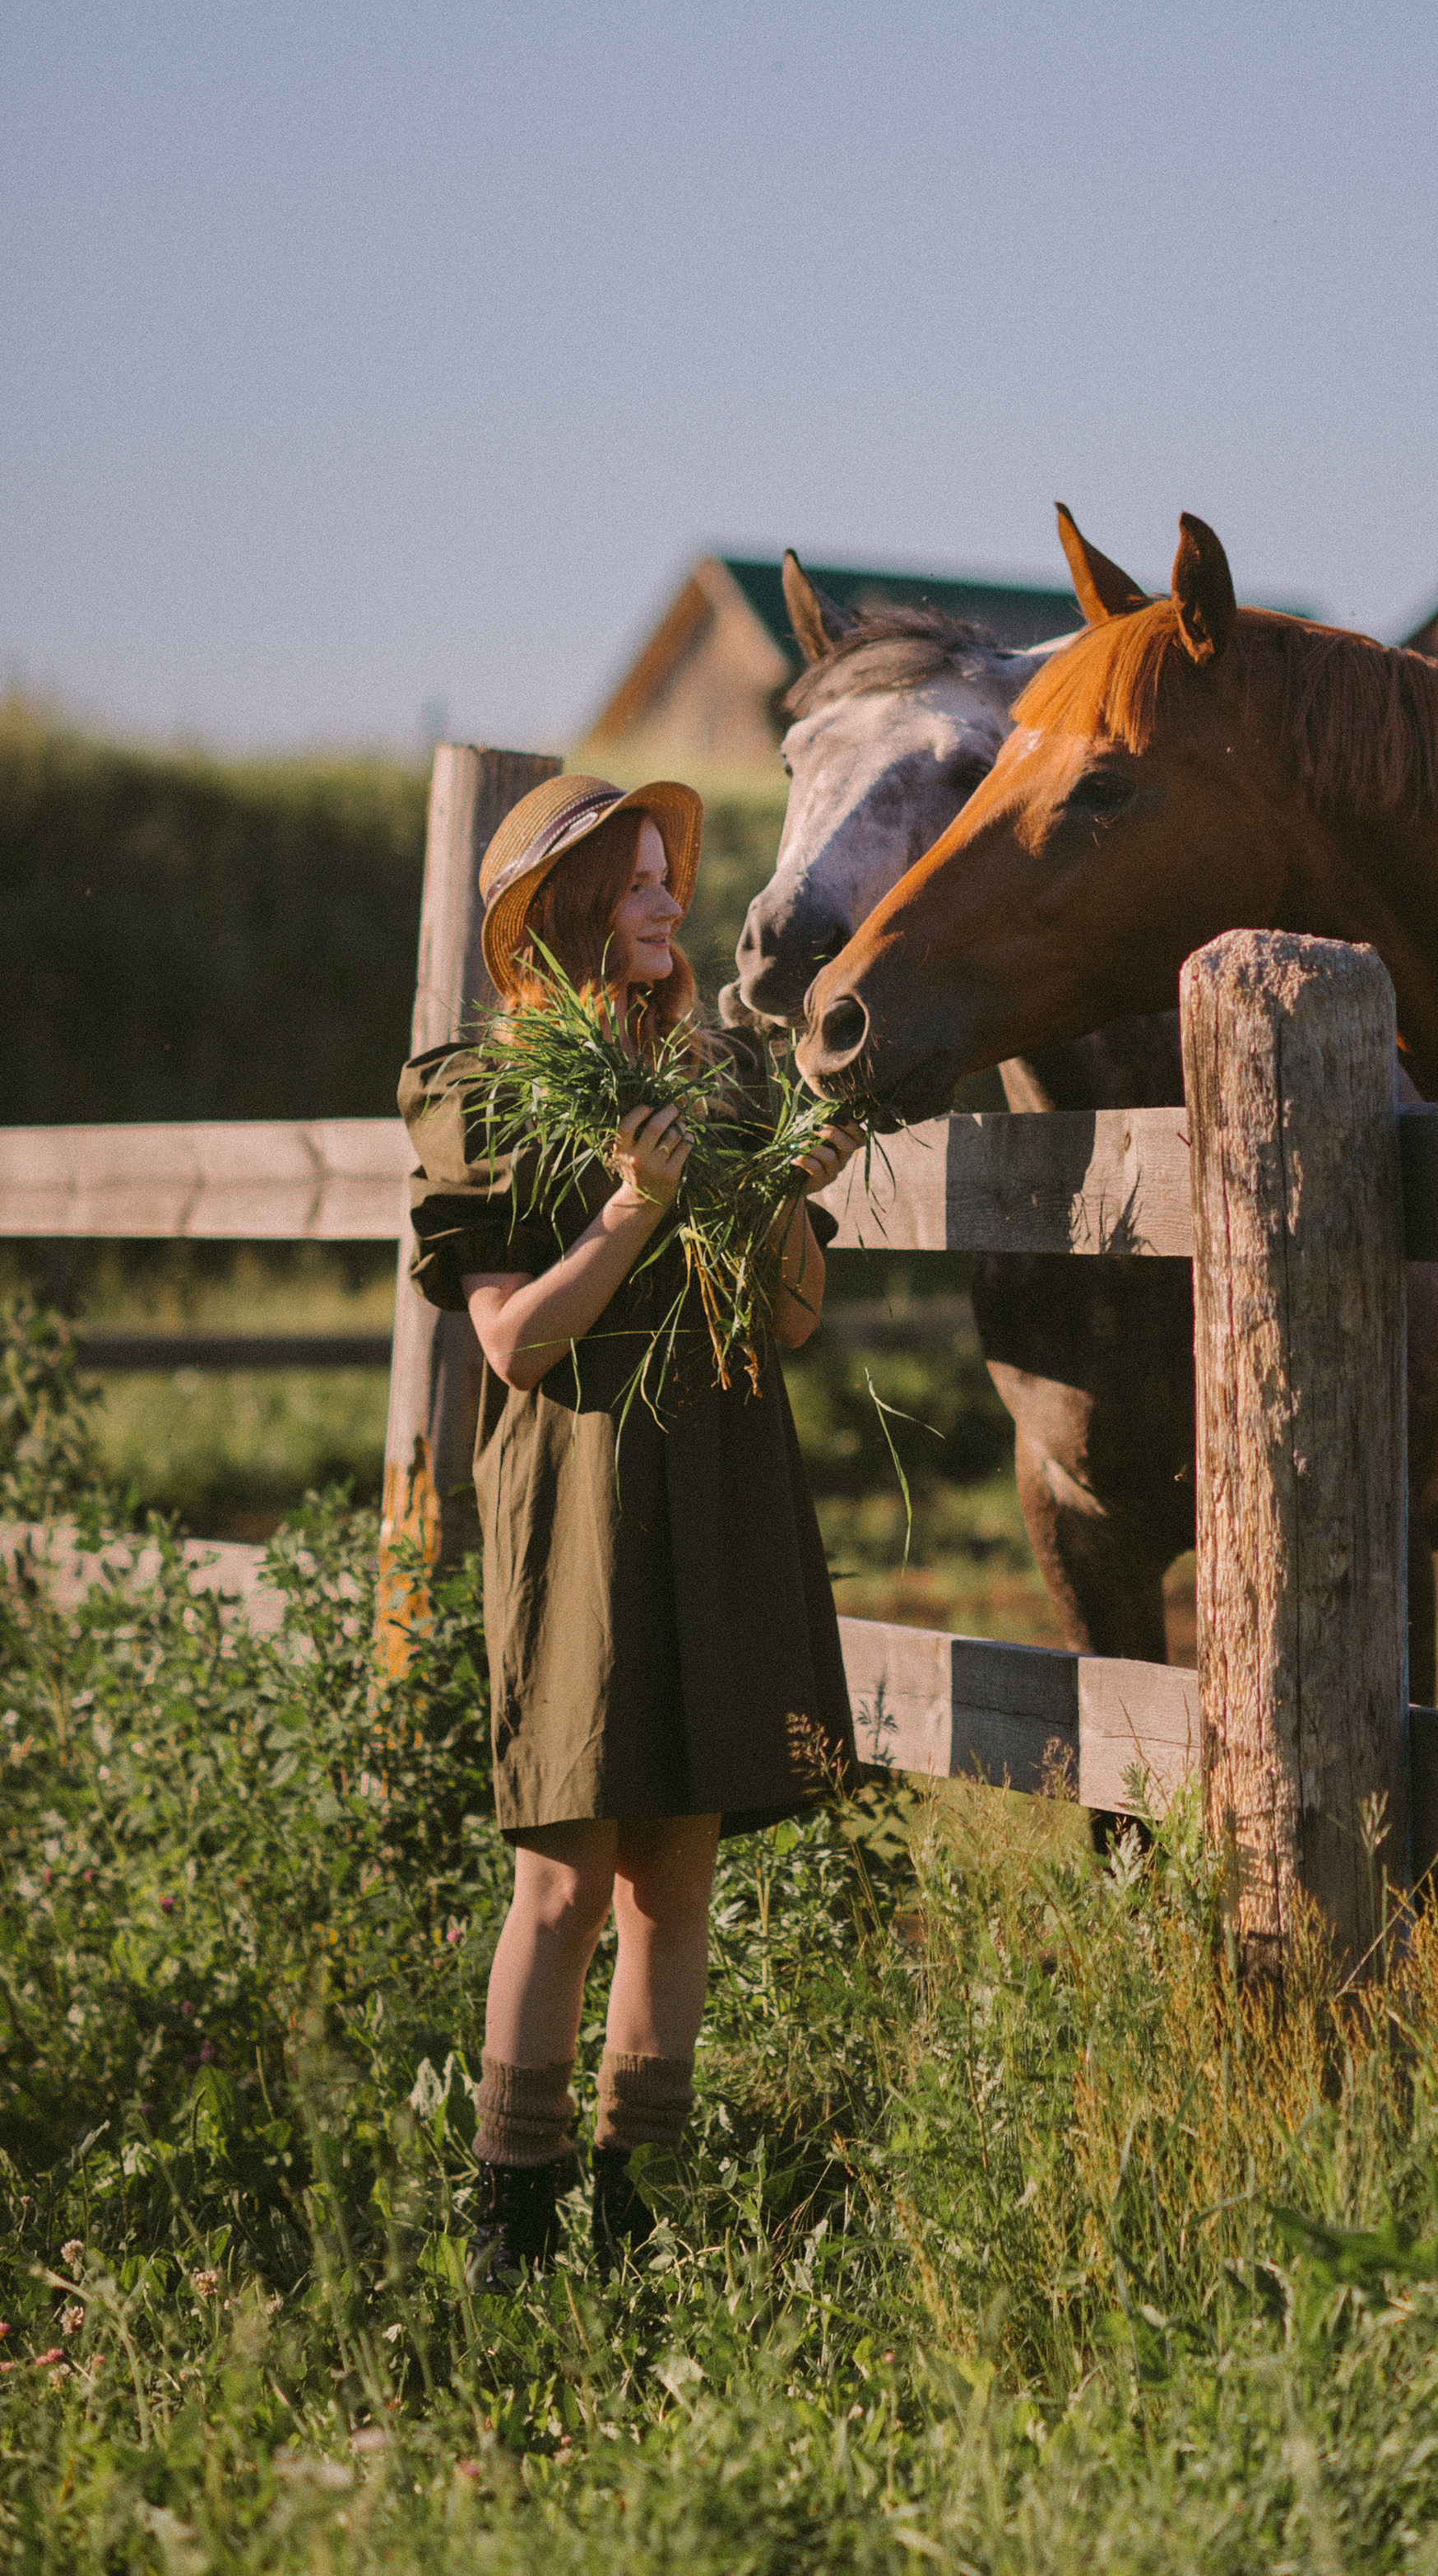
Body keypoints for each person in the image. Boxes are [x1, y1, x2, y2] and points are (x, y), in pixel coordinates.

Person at [398, 771, 862, 2285]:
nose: (676, 901)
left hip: (720, 1489)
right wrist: (629, 1210)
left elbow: (792, 1318)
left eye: (672, 876)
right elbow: (520, 1345)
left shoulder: (722, 1081)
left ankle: (635, 2230)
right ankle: (510, 2232)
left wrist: (777, 1186)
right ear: (574, 910)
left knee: (678, 1875)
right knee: (563, 1879)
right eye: (647, 881)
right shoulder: (489, 1093)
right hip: (579, 1504)